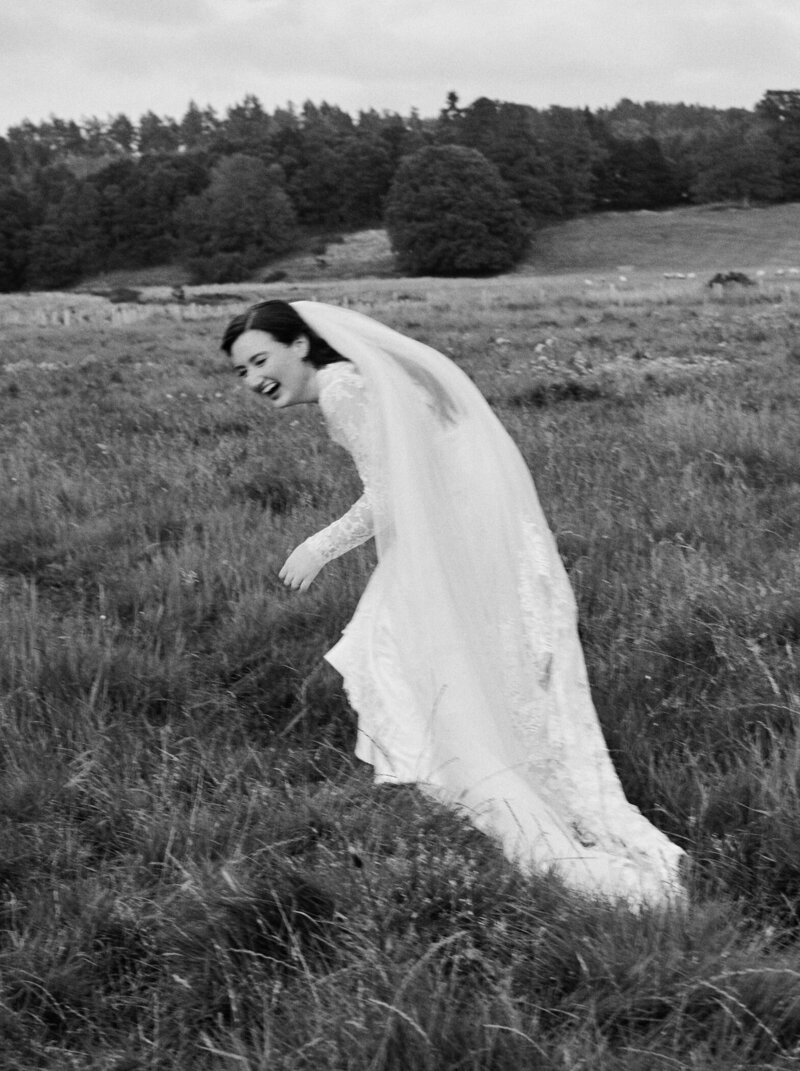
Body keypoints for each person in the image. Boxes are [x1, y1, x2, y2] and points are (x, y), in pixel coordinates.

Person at [222, 298, 686, 907]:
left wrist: (319, 547)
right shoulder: (362, 379)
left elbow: (391, 493)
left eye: (261, 360)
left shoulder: (343, 391)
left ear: (301, 346)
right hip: (476, 534)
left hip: (458, 539)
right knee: (449, 660)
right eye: (241, 372)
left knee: (400, 655)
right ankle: (500, 771)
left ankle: (493, 785)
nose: (255, 380)